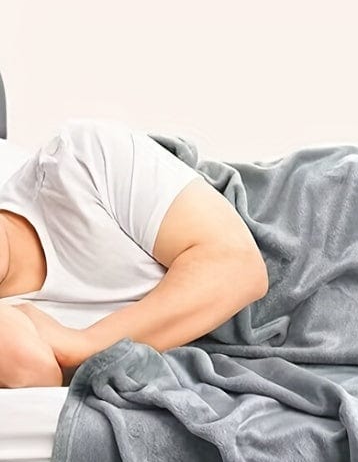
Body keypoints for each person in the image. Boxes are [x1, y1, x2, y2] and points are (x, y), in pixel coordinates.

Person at [0, 118, 268, 387]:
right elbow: (34, 374)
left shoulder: (77, 161)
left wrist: (84, 345)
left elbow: (238, 264)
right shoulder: (14, 326)